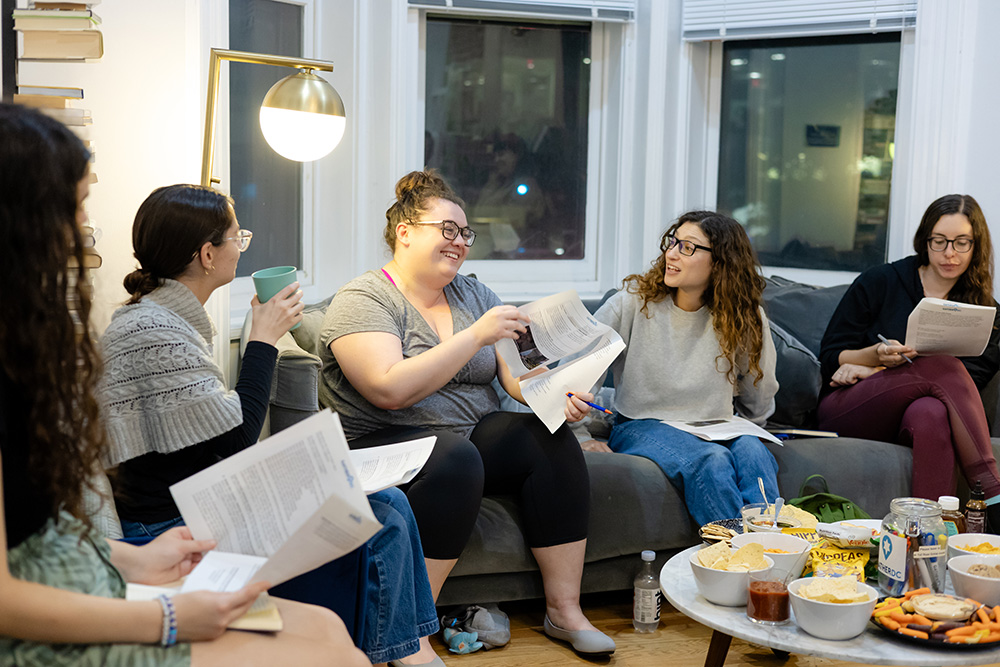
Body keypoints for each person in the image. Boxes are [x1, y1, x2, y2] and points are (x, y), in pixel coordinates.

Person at [0, 103, 367, 666]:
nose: (82, 233)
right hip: (69, 614)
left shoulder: (34, 352)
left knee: (326, 626)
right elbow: (236, 439)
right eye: (74, 213)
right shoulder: (151, 328)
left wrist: (123, 559)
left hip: (101, 568)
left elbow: (40, 530)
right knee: (337, 632)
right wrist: (165, 613)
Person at [99, 184, 439, 666]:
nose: (243, 246)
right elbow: (237, 439)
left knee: (389, 500)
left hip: (197, 499)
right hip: (165, 524)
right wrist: (262, 339)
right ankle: (393, 656)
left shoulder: (162, 320)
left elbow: (210, 445)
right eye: (239, 238)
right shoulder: (154, 333)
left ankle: (403, 653)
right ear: (207, 253)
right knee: (379, 514)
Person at [317, 170, 615, 656]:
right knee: (455, 456)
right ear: (405, 232)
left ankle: (565, 612)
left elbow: (518, 377)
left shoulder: (474, 295)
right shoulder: (363, 299)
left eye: (465, 234)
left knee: (549, 436)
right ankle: (409, 631)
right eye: (447, 230)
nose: (459, 243)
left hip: (466, 440)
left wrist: (559, 396)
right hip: (380, 444)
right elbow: (388, 389)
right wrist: (474, 335)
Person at [585, 211, 779, 528]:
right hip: (641, 424)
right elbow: (577, 371)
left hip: (717, 426)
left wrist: (748, 427)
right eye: (672, 242)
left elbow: (760, 394)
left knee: (754, 453)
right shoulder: (633, 302)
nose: (671, 254)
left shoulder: (745, 316)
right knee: (711, 461)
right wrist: (579, 434)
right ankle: (733, 561)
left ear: (720, 262)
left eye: (687, 247)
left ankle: (774, 558)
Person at [817, 194, 1000, 526]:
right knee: (944, 366)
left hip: (917, 414)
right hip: (852, 406)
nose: (949, 253)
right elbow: (831, 355)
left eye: (961, 243)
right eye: (940, 241)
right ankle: (992, 489)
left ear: (976, 246)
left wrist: (877, 368)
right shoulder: (881, 281)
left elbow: (968, 386)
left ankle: (927, 543)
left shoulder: (984, 310)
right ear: (924, 240)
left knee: (931, 410)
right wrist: (874, 358)